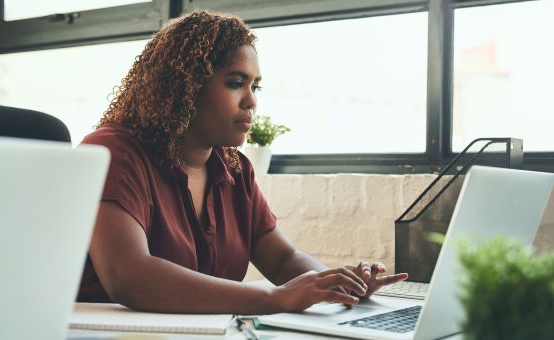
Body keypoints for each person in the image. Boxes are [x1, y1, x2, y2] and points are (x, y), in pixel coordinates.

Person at [77, 10, 408, 314]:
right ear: (185, 88)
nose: (251, 101)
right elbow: (129, 275)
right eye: (235, 83)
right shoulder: (113, 152)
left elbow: (283, 257)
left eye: (255, 86)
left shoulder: (235, 168)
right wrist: (271, 298)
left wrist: (339, 284)